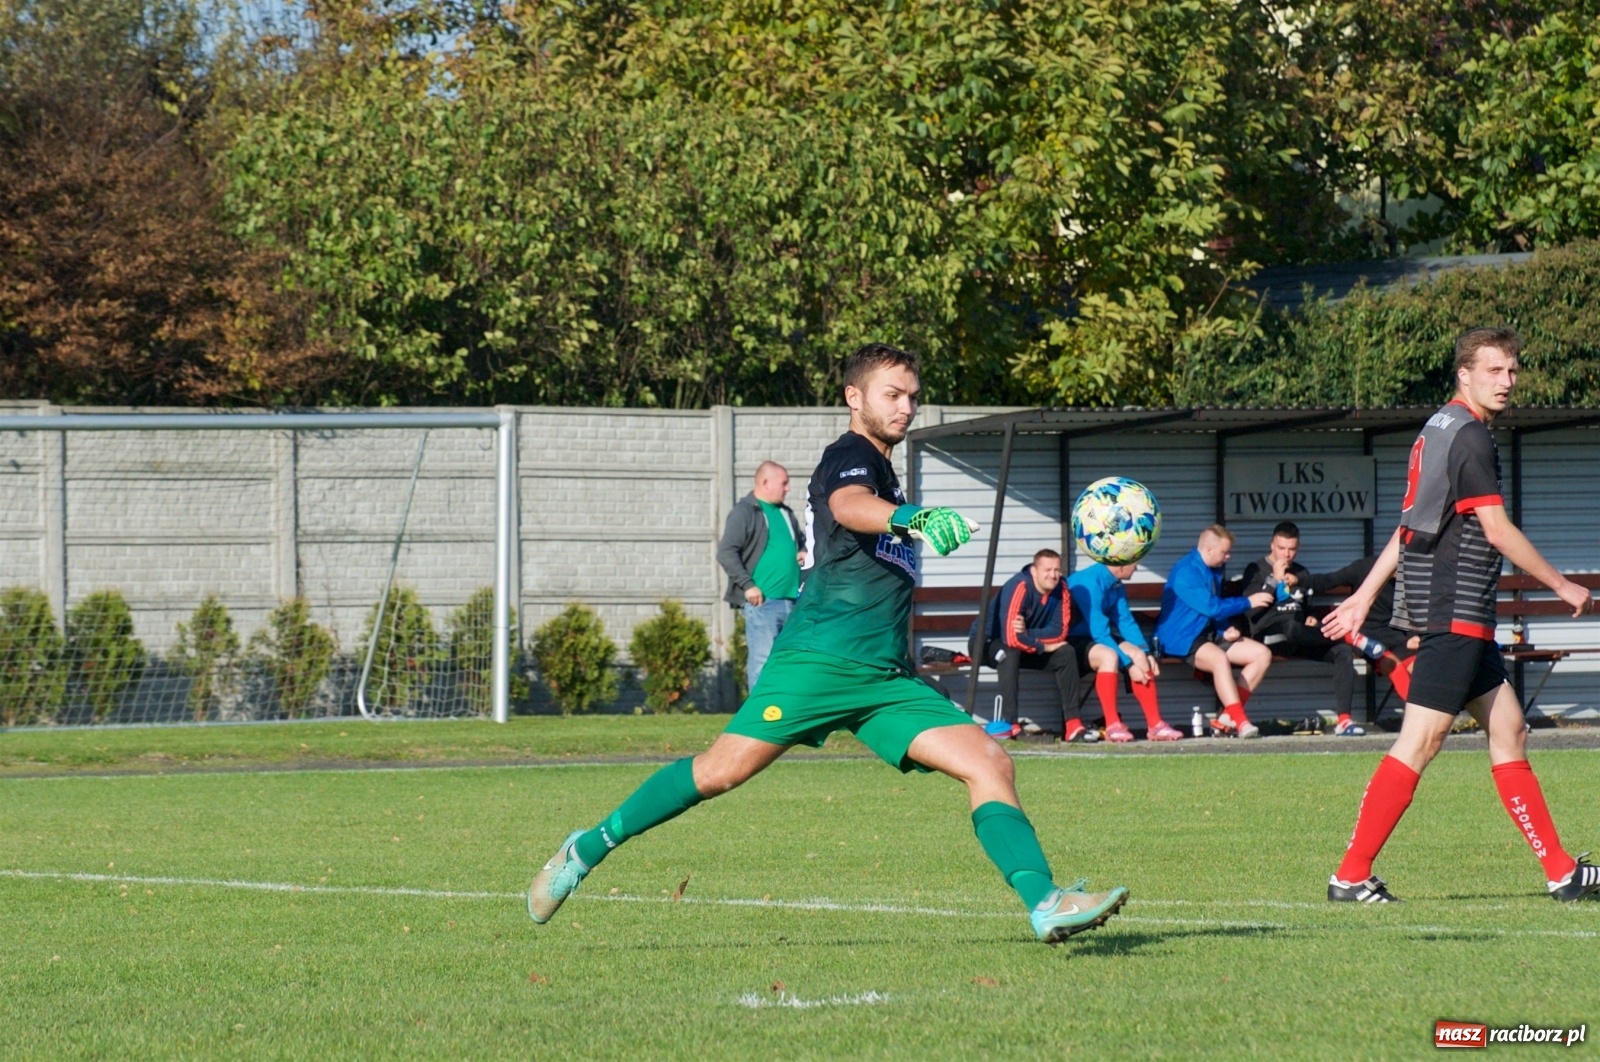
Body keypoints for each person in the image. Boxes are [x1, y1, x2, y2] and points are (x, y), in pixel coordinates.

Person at [529, 343, 1129, 943]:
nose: (906, 407)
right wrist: (915, 519)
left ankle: (1045, 901)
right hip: (817, 661)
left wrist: (909, 518)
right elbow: (848, 505)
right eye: (892, 395)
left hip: (884, 678)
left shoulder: (888, 476)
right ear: (854, 397)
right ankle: (586, 848)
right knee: (718, 773)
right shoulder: (849, 456)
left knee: (990, 762)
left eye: (912, 397)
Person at [1321, 326, 1599, 904]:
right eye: (1494, 370)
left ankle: (1561, 872)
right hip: (1455, 611)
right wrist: (1561, 584)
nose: (1507, 381)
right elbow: (1495, 529)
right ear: (1464, 375)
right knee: (1419, 742)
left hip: (1458, 612)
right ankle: (1350, 875)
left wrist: (1365, 595)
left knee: (1509, 729)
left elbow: (1408, 529)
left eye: (1513, 369)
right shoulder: (1470, 437)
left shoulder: (1439, 428)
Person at [1236, 521, 1365, 736]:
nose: (1286, 554)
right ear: (1272, 545)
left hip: (1301, 636)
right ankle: (1348, 637)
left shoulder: (1300, 572)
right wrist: (1274, 578)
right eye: (1281, 548)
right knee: (1290, 628)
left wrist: (1311, 618)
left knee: (1341, 651)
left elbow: (1305, 608)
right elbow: (1251, 612)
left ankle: (1344, 721)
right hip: (1270, 635)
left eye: (1292, 549)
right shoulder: (1256, 569)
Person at [1154, 526, 1275, 739]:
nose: (1228, 557)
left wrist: (1224, 628)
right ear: (1209, 550)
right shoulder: (1186, 572)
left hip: (1208, 633)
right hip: (1182, 637)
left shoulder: (1213, 568)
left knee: (1262, 654)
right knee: (1219, 659)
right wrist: (1248, 602)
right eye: (1224, 552)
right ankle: (1241, 722)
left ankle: (1227, 717)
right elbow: (1210, 607)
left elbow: (1214, 609)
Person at [968, 549, 1094, 742]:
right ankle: (1011, 724)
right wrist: (1042, 647)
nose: (1053, 575)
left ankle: (1073, 725)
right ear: (1034, 571)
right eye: (1047, 570)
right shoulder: (1020, 586)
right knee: (1009, 653)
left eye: (1057, 570)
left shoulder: (1061, 587)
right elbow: (1011, 638)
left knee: (1066, 652)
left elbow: (1059, 632)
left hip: (1025, 644)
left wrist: (1027, 633)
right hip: (986, 644)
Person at [1067, 561, 1184, 743]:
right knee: (1109, 656)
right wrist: (1128, 666)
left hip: (1096, 636)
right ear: (1120, 565)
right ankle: (1112, 725)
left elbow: (1125, 621)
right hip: (1073, 639)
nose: (1136, 568)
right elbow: (1099, 633)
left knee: (1138, 655)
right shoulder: (1090, 582)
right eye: (1134, 564)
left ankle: (1155, 725)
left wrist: (1147, 652)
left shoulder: (1116, 583)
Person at [717, 461, 806, 690]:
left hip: (793, 602)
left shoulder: (786, 513)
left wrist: (802, 552)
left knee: (789, 665)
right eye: (784, 483)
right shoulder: (745, 512)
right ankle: (758, 713)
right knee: (762, 663)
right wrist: (748, 585)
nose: (788, 488)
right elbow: (726, 552)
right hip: (764, 603)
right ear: (765, 483)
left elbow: (801, 543)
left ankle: (782, 710)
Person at [1292, 553, 1420, 706]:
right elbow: (1329, 580)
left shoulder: (1412, 579)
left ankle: (1430, 713)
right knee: (1393, 667)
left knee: (1420, 670)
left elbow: (1416, 612)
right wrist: (1298, 580)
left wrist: (1414, 635)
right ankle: (1418, 714)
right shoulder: (1364, 568)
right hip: (1365, 635)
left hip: (1396, 636)